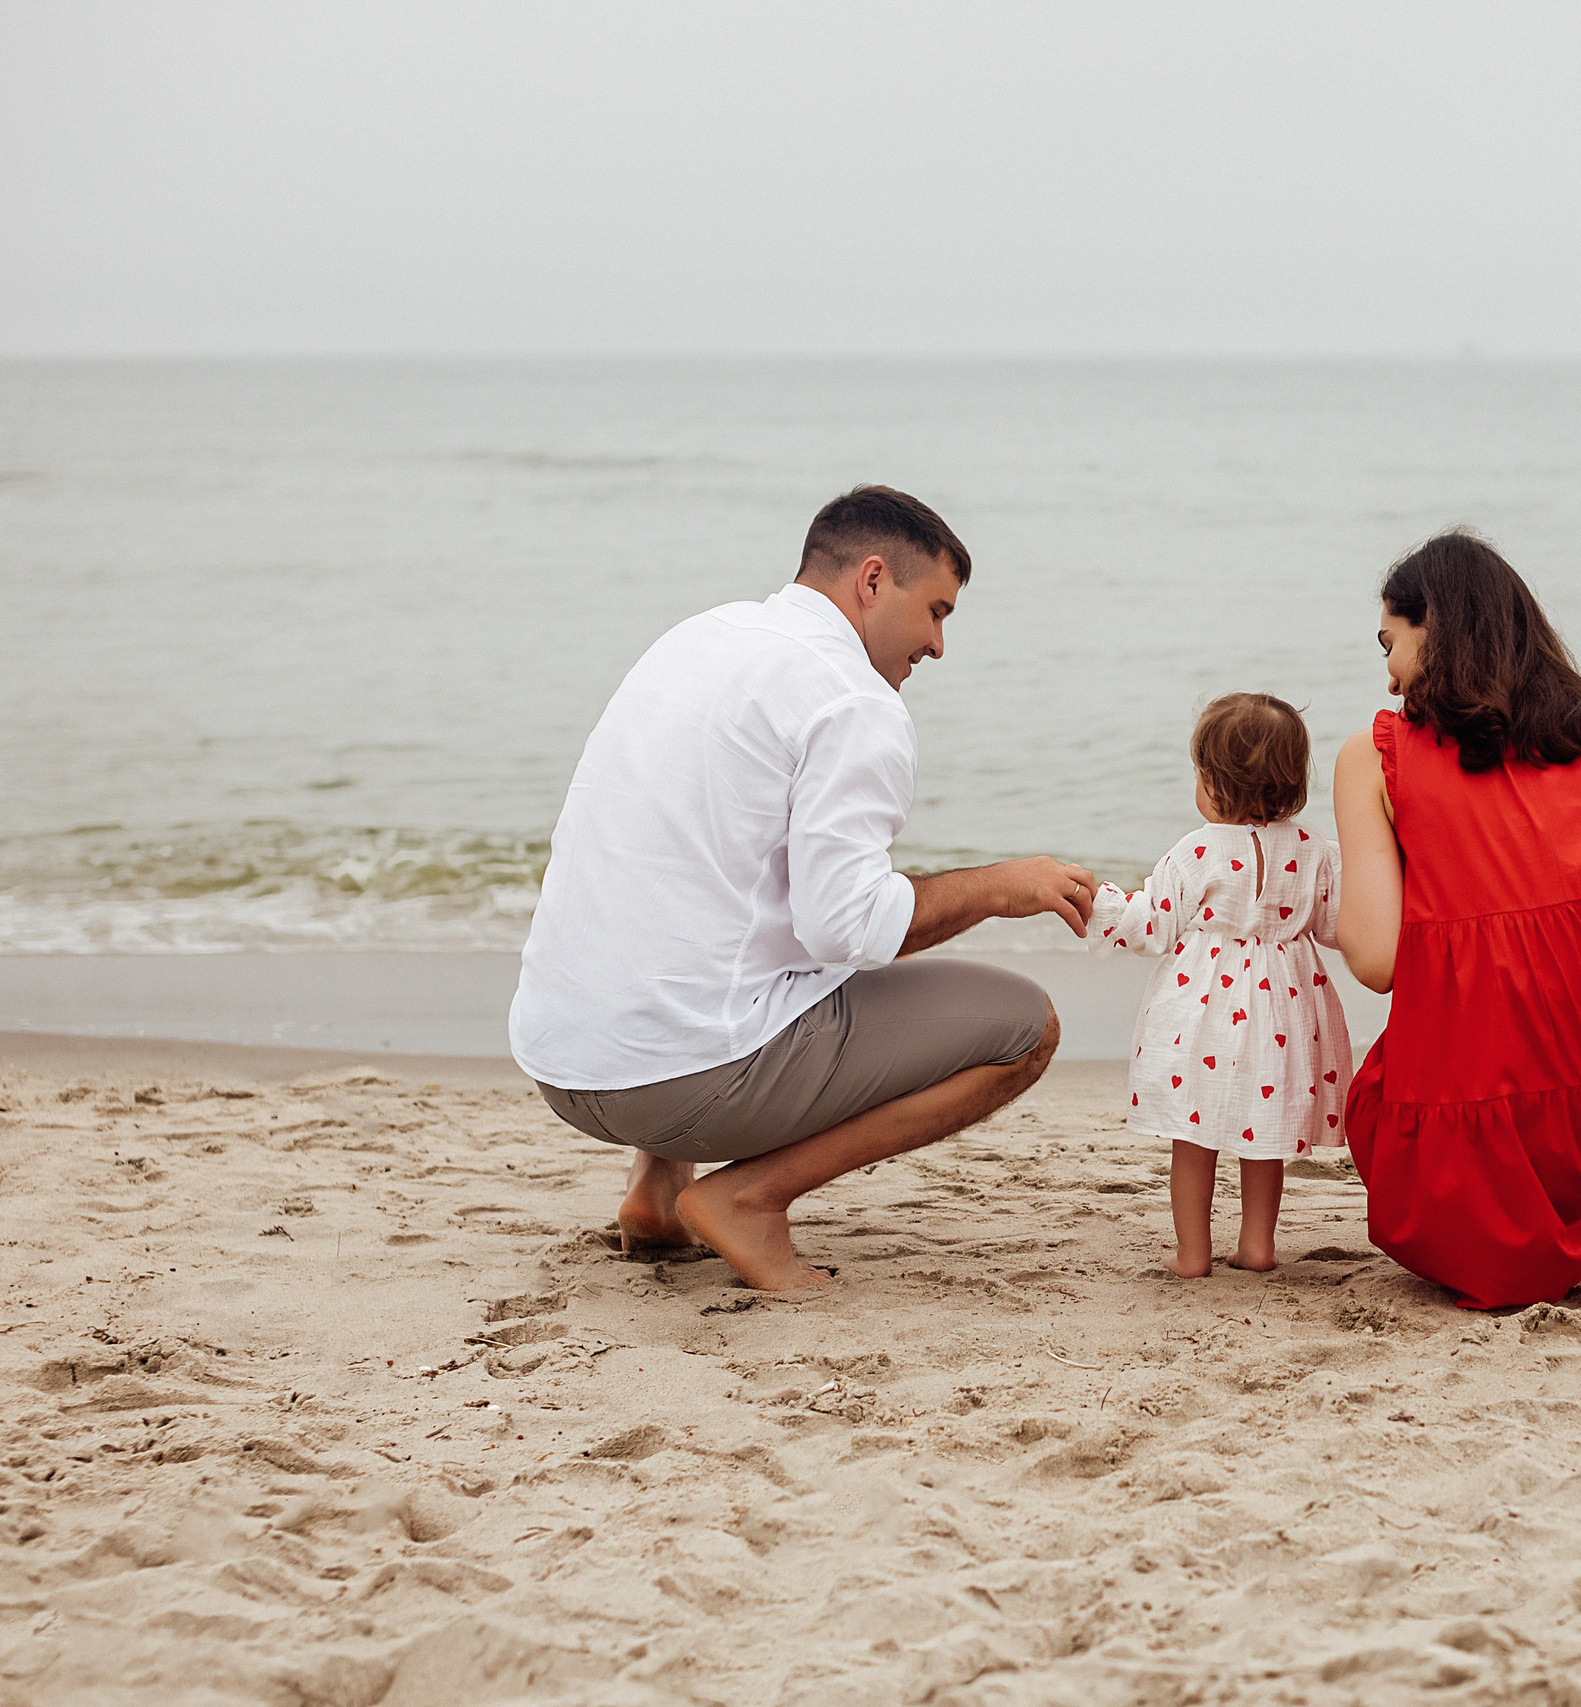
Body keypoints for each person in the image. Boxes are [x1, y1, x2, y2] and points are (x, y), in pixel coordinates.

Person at [509, 485, 1098, 1290]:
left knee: (718, 899)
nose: (936, 645)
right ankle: (750, 1198)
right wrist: (1000, 887)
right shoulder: (854, 699)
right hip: (671, 1079)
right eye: (936, 611)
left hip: (560, 1056)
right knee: (1025, 1029)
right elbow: (844, 929)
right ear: (873, 579)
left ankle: (657, 1187)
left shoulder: (699, 637)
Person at [1331, 530, 1581, 1309]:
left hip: (1454, 1144)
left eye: (1390, 645)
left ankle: (1485, 1228)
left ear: (1431, 628)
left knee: (1371, 1099)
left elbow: (1375, 962)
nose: (1391, 675)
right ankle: (1554, 1212)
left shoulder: (1377, 755)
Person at [1087, 694, 1354, 1277]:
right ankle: (1257, 1246)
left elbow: (1152, 925)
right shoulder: (1314, 852)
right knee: (1268, 1134)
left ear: (1215, 782)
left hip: (1205, 1013)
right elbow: (1338, 926)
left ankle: (1192, 1254)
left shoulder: (1197, 851)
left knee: (1194, 1133)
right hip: (1287, 1011)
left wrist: (1100, 904)